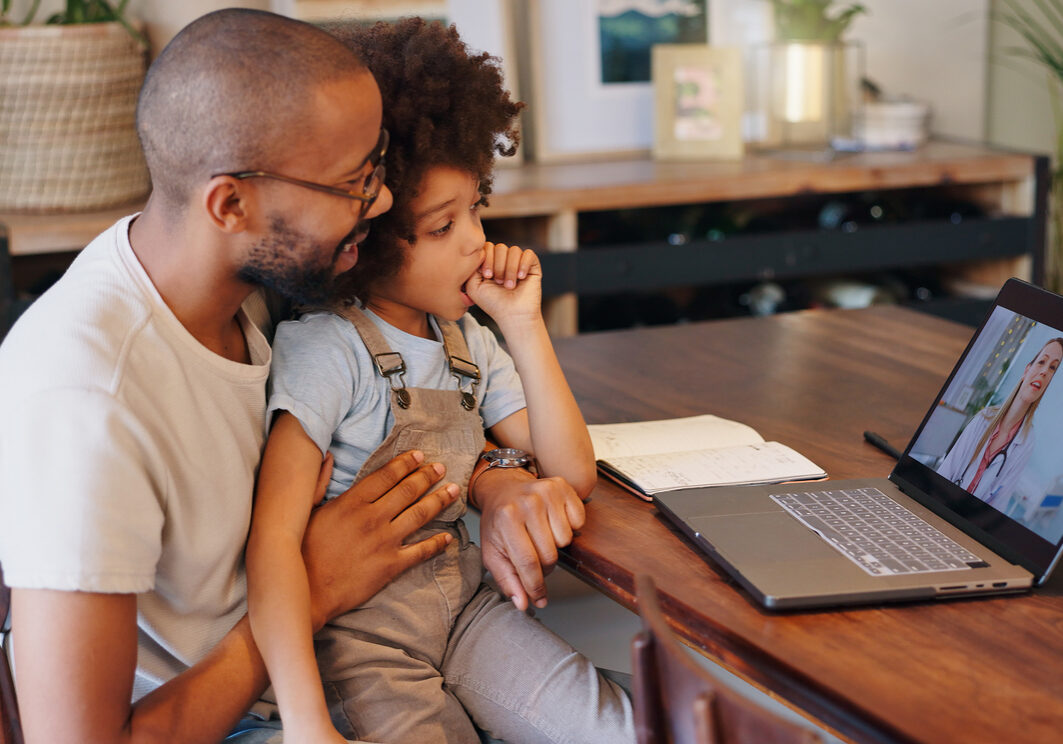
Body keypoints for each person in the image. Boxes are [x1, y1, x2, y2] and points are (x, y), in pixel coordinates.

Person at [0, 10, 550, 744]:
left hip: (355, 652)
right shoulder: (87, 400)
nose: (381, 201)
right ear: (231, 203)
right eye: (354, 182)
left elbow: (401, 401)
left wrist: (497, 473)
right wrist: (315, 588)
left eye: (377, 166)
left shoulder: (261, 283)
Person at [246, 18, 634, 744]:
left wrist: (523, 324)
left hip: (467, 616)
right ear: (364, 243)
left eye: (476, 210)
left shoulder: (468, 340)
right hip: (365, 648)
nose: (477, 243)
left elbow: (570, 470)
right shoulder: (325, 350)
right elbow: (271, 545)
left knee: (622, 728)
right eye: (441, 227)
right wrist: (306, 723)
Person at [937, 337, 1063, 507]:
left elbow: (999, 503)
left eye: (1052, 367)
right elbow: (945, 473)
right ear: (1027, 370)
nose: (1044, 371)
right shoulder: (984, 418)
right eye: (1042, 362)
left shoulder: (1027, 441)